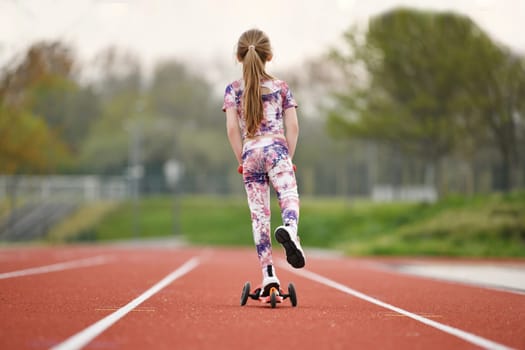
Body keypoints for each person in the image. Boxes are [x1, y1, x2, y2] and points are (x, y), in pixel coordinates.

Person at [222, 29, 305, 296]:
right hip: (276, 148)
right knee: (288, 196)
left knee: (259, 217)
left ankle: (268, 274)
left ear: (239, 56)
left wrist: (242, 160)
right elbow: (293, 127)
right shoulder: (281, 88)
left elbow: (233, 130)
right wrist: (287, 157)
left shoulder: (233, 90)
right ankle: (291, 231)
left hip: (251, 152)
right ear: (269, 56)